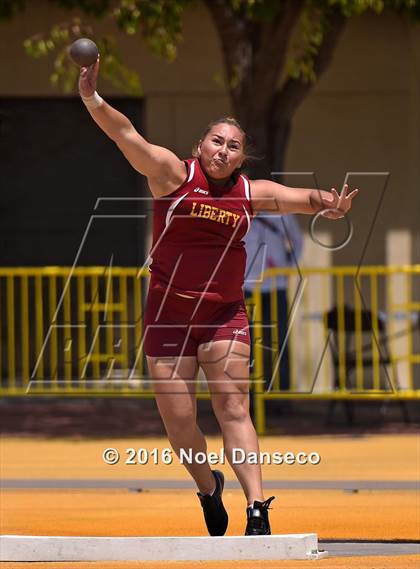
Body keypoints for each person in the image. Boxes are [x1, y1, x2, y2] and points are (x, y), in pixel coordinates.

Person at [78, 58, 358, 536]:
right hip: (167, 316)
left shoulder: (249, 192)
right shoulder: (171, 175)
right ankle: (209, 486)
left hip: (224, 315)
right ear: (200, 146)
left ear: (241, 156)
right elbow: (126, 135)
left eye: (234, 146)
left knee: (234, 408)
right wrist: (91, 97)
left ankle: (256, 508)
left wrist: (330, 204)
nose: (224, 151)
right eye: (217, 141)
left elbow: (300, 197)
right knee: (180, 424)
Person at [244, 214, 303, 391]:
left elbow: (297, 243)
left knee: (280, 340)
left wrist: (286, 270)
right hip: (248, 287)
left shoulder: (283, 215)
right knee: (249, 344)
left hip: (276, 286)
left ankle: (281, 395)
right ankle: (252, 397)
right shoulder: (242, 212)